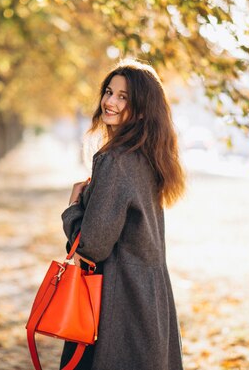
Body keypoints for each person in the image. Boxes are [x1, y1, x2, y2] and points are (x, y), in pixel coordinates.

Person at [60, 60, 187, 370]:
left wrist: (73, 209)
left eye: (123, 97)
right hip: (150, 300)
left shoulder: (115, 159)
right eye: (108, 92)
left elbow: (93, 246)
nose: (110, 102)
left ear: (141, 109)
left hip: (117, 305)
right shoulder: (149, 157)